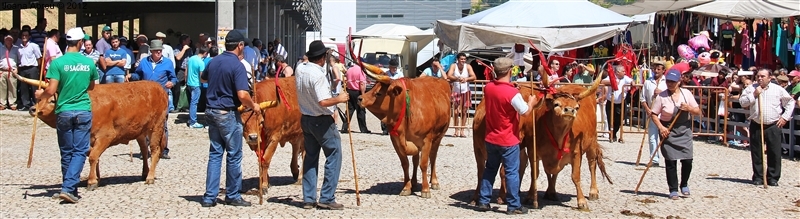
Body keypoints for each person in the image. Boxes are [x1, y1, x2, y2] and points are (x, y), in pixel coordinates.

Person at [34, 27, 98, 203]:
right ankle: (69, 188)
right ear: (80, 43)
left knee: (66, 151)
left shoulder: (57, 63)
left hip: (63, 111)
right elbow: (92, 87)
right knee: (80, 151)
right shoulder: (89, 63)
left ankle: (68, 187)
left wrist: (41, 95)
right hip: (83, 110)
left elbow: (52, 90)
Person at [199, 30, 258, 207]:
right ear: (239, 46)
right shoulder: (237, 66)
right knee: (234, 155)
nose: (244, 48)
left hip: (211, 111)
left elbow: (203, 79)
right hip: (227, 113)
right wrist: (253, 105)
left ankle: (210, 197)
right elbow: (242, 94)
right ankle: (232, 195)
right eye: (244, 45)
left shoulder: (214, 61)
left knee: (215, 154)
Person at [476, 57, 535, 215]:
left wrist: (510, 86)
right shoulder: (513, 93)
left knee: (490, 169)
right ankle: (514, 205)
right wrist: (531, 102)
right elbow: (525, 112)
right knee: (511, 172)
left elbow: (499, 91)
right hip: (508, 139)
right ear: (510, 71)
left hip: (491, 137)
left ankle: (483, 200)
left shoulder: (488, 88)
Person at [296, 40, 349, 210]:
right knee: (334, 154)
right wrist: (339, 99)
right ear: (322, 58)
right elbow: (323, 101)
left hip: (306, 118)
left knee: (310, 157)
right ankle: (326, 197)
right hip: (321, 120)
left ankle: (309, 198)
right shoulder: (317, 75)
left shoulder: (300, 69)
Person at [650, 68, 702, 200]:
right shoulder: (662, 96)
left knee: (688, 160)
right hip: (668, 130)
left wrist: (689, 108)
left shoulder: (686, 94)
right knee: (671, 161)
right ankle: (673, 189)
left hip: (684, 129)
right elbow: (654, 114)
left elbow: (698, 111)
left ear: (679, 81)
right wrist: (661, 128)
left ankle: (684, 184)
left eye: (673, 82)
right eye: (668, 81)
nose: (670, 84)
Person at [739, 68, 794, 187]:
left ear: (769, 78)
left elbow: (790, 102)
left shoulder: (778, 89)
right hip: (757, 123)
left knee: (774, 152)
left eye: (763, 76)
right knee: (757, 152)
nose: (759, 78)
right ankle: (758, 176)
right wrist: (754, 95)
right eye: (758, 76)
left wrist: (785, 117)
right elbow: (742, 102)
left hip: (773, 124)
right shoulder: (751, 88)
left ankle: (773, 177)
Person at [134, 39, 176, 160]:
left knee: (163, 124)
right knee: (146, 124)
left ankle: (164, 149)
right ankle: (145, 150)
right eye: (156, 51)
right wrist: (132, 76)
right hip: (146, 99)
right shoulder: (144, 62)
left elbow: (173, 78)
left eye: (160, 51)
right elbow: (138, 75)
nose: (158, 53)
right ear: (151, 52)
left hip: (162, 97)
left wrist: (171, 83)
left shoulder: (167, 63)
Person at [640, 62, 666, 166]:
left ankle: (669, 158)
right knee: (652, 137)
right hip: (651, 113)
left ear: (663, 70)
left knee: (664, 137)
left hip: (664, 114)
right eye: (655, 69)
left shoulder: (666, 82)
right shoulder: (647, 82)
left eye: (659, 69)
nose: (656, 71)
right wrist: (647, 109)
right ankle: (654, 159)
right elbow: (642, 98)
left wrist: (661, 93)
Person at [446, 53, 476, 138]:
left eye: (464, 59)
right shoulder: (453, 66)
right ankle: (456, 130)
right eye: (461, 59)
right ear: (458, 59)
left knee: (464, 111)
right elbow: (449, 75)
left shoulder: (468, 66)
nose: (463, 60)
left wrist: (466, 79)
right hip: (455, 90)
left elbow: (474, 76)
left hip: (465, 90)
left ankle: (462, 130)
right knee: (455, 112)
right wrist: (457, 79)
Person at [340, 64, 370, 134]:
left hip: (350, 91)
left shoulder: (349, 70)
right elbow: (362, 83)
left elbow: (346, 81)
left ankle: (344, 127)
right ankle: (363, 129)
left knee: (349, 110)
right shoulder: (360, 70)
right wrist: (363, 95)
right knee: (361, 111)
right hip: (358, 92)